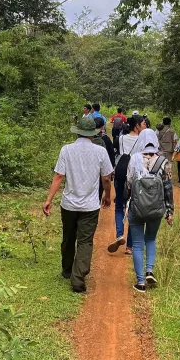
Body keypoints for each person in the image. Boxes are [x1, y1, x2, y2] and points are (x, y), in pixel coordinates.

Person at [43, 116, 114, 293]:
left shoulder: (66, 150)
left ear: (78, 132)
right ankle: (78, 278)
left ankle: (67, 270)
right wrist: (107, 196)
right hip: (90, 206)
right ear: (92, 133)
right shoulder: (100, 152)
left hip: (68, 204)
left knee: (68, 236)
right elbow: (106, 178)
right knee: (85, 241)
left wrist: (49, 199)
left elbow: (59, 176)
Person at [124, 135, 173, 292]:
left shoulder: (134, 159)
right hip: (156, 208)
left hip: (137, 208)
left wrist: (126, 204)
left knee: (137, 244)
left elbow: (129, 183)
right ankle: (149, 270)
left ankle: (140, 282)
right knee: (151, 239)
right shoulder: (164, 161)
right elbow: (168, 188)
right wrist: (169, 211)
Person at [107, 113, 147, 254]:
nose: (145, 126)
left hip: (120, 173)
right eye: (143, 124)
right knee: (133, 209)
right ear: (137, 126)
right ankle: (130, 246)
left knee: (119, 206)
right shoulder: (142, 141)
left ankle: (119, 235)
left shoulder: (121, 138)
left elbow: (115, 152)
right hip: (135, 177)